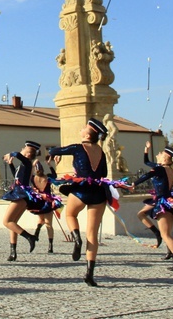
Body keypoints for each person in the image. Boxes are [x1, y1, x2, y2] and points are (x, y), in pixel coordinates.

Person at [49, 118, 126, 286]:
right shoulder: (101, 150)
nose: (82, 129)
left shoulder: (78, 147)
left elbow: (55, 149)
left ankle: (76, 237)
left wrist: (55, 156)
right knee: (93, 233)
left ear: (88, 133)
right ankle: (89, 274)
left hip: (82, 189)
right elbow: (104, 172)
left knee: (70, 214)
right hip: (98, 191)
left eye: (84, 128)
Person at [131, 142, 173, 271]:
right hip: (170, 202)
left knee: (166, 235)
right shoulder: (168, 169)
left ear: (165, 158)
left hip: (163, 202)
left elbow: (146, 175)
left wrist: (134, 183)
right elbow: (147, 163)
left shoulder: (160, 169)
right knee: (167, 233)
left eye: (161, 153)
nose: (159, 154)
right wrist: (146, 150)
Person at [1, 141, 45, 262]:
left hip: (20, 195)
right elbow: (16, 176)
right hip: (20, 194)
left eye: (24, 148)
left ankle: (30, 237)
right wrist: (10, 164)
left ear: (28, 153)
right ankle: (13, 252)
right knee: (13, 223)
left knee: (7, 221)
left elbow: (17, 154)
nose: (21, 149)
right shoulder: (24, 165)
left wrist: (12, 154)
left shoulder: (27, 162)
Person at [32, 157, 58, 253]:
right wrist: (49, 164)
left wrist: (32, 165)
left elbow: (27, 175)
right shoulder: (47, 178)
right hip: (48, 202)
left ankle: (37, 229)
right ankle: (50, 246)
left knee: (41, 220)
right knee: (49, 224)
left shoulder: (33, 178)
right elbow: (55, 175)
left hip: (38, 202)